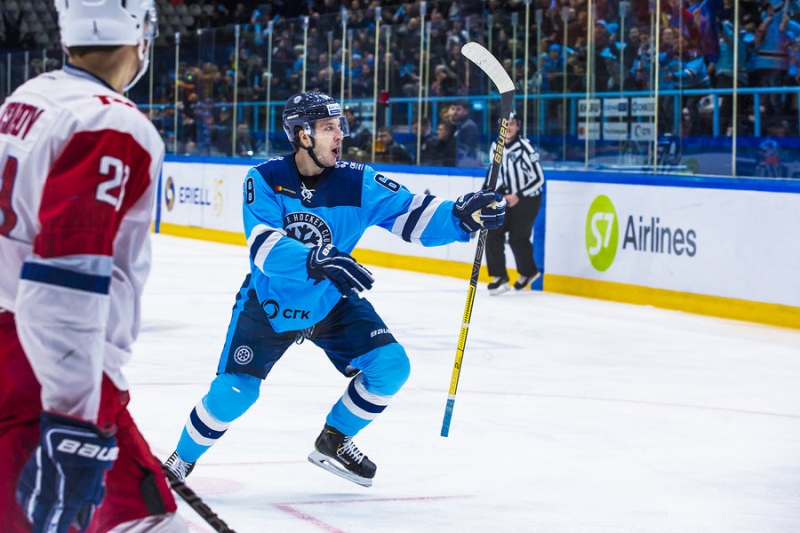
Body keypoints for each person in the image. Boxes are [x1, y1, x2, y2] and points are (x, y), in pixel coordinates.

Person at [164, 91, 506, 488]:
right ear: (301, 134)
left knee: (390, 367)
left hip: (330, 300)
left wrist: (461, 217)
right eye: (328, 128)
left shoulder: (357, 181)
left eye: (339, 126)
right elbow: (263, 246)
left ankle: (335, 438)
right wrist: (314, 259)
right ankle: (178, 460)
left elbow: (412, 213)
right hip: (270, 302)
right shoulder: (265, 178)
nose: (340, 135)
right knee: (234, 394)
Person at [0, 1, 188, 532]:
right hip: (42, 365)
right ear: (138, 31)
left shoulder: (30, 97)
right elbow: (66, 275)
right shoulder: (112, 121)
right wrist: (74, 416)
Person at [482, 111, 546, 295]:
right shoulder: (496, 146)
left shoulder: (526, 148)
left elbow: (540, 178)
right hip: (506, 194)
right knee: (492, 231)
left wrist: (519, 194)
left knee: (518, 237)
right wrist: (486, 194)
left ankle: (529, 271)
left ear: (517, 126)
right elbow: (493, 172)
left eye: (511, 124)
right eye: (505, 124)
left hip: (528, 197)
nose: (508, 128)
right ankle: (500, 276)